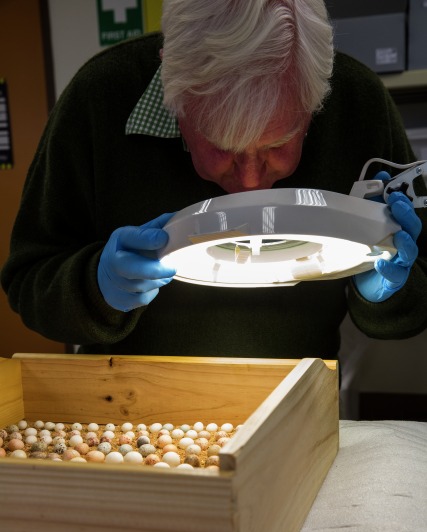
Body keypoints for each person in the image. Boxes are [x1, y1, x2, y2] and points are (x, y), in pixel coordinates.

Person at [1, 0, 426, 360]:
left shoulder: (358, 103)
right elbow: (29, 281)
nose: (250, 182)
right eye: (222, 147)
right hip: (124, 416)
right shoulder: (100, 98)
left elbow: (419, 289)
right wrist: (96, 287)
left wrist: (387, 295)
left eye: (277, 144)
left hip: (293, 407)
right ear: (177, 100)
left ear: (313, 106)